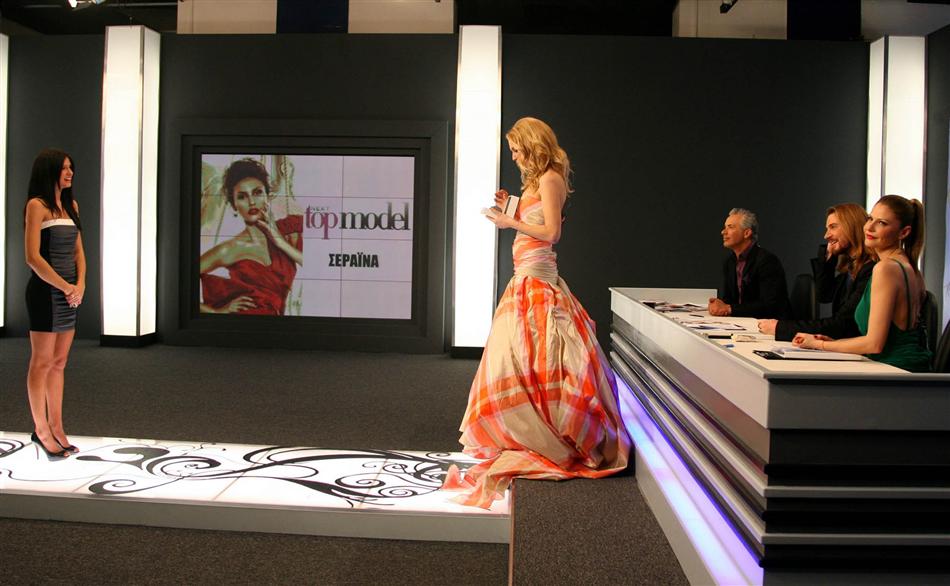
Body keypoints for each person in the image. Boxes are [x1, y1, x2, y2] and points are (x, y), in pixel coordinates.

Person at [443, 117, 630, 508]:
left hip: (539, 281)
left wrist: (508, 220)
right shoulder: (535, 182)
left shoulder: (550, 179)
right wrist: (511, 204)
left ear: (532, 144)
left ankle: (553, 434)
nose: (513, 156)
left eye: (516, 149)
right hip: (523, 280)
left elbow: (551, 232)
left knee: (542, 357)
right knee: (516, 359)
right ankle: (526, 432)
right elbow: (534, 219)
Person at [793, 195, 931, 372]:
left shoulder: (885, 269)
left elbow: (874, 344)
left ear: (903, 232)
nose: (869, 227)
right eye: (870, 218)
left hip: (895, 371)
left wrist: (819, 345)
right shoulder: (910, 267)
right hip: (907, 368)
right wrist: (836, 343)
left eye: (882, 223)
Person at [24, 149, 86, 459]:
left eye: (71, 167)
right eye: (63, 168)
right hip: (45, 293)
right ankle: (41, 430)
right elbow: (32, 257)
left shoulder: (72, 205)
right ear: (49, 171)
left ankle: (57, 427)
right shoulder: (37, 206)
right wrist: (65, 286)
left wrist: (81, 285)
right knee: (42, 362)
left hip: (69, 294)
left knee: (59, 363)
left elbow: (78, 252)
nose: (70, 173)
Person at [199, 158, 303, 315]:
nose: (251, 202)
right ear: (234, 205)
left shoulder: (289, 229)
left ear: (267, 196)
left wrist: (279, 242)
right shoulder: (228, 249)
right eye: (242, 197)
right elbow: (178, 280)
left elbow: (319, 265)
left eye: (257, 193)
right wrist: (216, 311)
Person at [758, 203, 875, 340]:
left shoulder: (870, 270)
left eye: (833, 227)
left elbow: (841, 325)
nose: (826, 235)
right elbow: (824, 295)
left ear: (852, 226)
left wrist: (780, 328)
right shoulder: (849, 269)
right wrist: (828, 260)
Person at [708, 208, 790, 318]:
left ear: (746, 233)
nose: (723, 232)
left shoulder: (767, 261)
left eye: (730, 227)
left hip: (767, 323)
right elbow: (729, 299)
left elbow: (771, 305)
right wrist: (720, 305)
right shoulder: (729, 262)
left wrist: (729, 308)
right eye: (725, 227)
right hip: (742, 322)